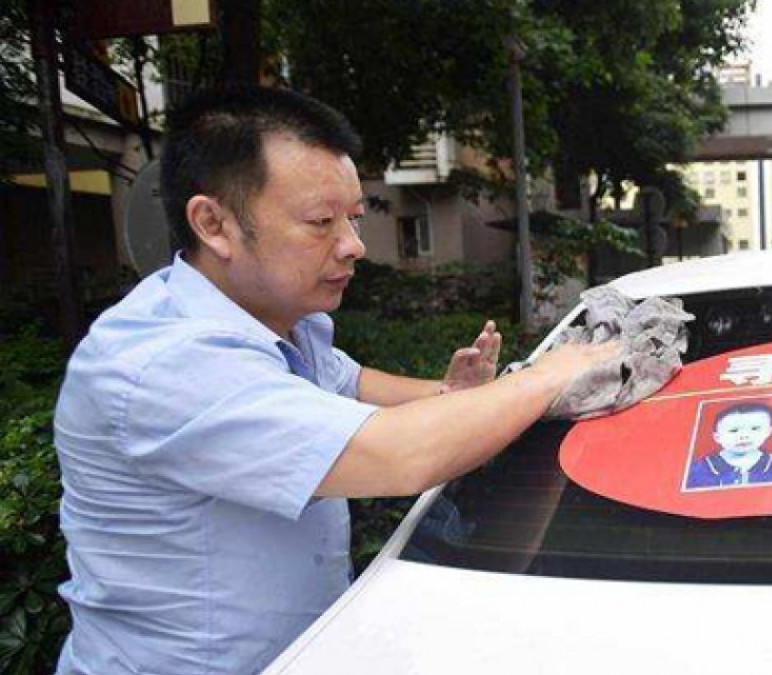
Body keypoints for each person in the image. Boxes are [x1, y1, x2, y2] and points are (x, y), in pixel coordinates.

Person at [52, 85, 616, 675]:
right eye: (322, 222)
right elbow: (399, 454)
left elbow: (367, 391)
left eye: (352, 216)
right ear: (213, 223)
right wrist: (555, 373)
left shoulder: (282, 327)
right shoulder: (165, 363)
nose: (354, 246)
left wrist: (459, 399)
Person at [685, 402, 772, 489]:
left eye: (755, 429)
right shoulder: (700, 469)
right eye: (734, 430)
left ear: (768, 431)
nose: (744, 436)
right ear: (717, 437)